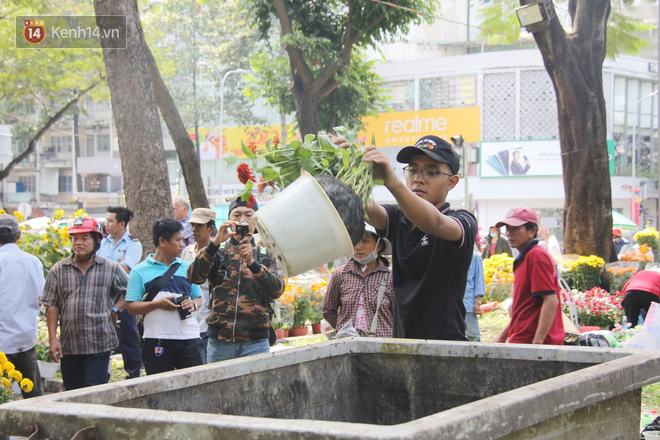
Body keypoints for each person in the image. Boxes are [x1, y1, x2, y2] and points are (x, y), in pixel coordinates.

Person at [333, 134, 477, 341]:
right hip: (403, 342)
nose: (418, 178)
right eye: (413, 170)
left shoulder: (462, 221)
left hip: (445, 346)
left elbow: (433, 222)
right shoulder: (398, 217)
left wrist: (391, 181)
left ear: (451, 182)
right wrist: (347, 165)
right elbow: (363, 206)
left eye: (431, 172)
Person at [188, 196, 285, 362]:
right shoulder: (216, 251)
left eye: (248, 215)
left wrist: (253, 264)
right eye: (236, 215)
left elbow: (277, 289)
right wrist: (214, 243)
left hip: (256, 341)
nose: (242, 220)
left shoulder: (266, 252)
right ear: (228, 220)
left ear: (256, 220)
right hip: (220, 342)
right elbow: (194, 277)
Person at [41, 216, 129, 390]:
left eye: (84, 238)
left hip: (100, 342)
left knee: (94, 391)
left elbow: (132, 291)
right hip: (70, 345)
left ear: (97, 241)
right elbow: (52, 305)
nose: (78, 243)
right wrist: (53, 339)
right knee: (73, 392)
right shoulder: (58, 270)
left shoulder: (110, 268)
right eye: (75, 238)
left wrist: (115, 308)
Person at [126, 218, 203, 375]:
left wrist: (192, 305)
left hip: (189, 339)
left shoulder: (188, 268)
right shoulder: (139, 271)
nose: (182, 244)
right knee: (159, 388)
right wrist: (157, 304)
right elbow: (131, 307)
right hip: (157, 339)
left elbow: (198, 298)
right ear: (162, 241)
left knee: (196, 385)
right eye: (178, 240)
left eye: (183, 240)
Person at [494, 208, 564, 345]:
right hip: (522, 341)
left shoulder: (536, 256)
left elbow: (551, 301)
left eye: (515, 228)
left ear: (532, 231)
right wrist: (502, 337)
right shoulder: (526, 257)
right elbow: (523, 309)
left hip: (532, 344)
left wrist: (537, 343)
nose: (509, 233)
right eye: (508, 228)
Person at [0, 214, 45, 398]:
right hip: (26, 337)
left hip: (2, 341)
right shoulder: (33, 261)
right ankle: (37, 427)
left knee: (3, 396)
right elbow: (42, 298)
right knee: (33, 396)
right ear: (19, 236)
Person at [323, 225, 394, 337]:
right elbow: (328, 310)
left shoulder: (390, 277)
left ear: (378, 246)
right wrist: (343, 329)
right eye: (355, 241)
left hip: (381, 344)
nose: (358, 247)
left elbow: (399, 315)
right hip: (348, 344)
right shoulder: (341, 274)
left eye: (365, 241)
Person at [97, 206, 143, 379]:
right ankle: (103, 374)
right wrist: (116, 265)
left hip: (123, 294)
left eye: (110, 221)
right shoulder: (102, 242)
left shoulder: (133, 244)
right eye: (106, 220)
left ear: (122, 224)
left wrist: (112, 266)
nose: (107, 224)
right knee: (101, 334)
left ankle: (133, 374)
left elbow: (124, 269)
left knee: (127, 335)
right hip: (102, 293)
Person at [180, 207, 217, 363]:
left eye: (199, 226)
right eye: (192, 225)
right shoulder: (187, 251)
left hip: (209, 324)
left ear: (211, 229)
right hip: (188, 324)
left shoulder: (218, 253)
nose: (194, 230)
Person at [463, 251, 485, 342]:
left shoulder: (475, 257)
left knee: (473, 335)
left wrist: (477, 301)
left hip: (468, 302)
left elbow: (479, 279)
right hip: (454, 303)